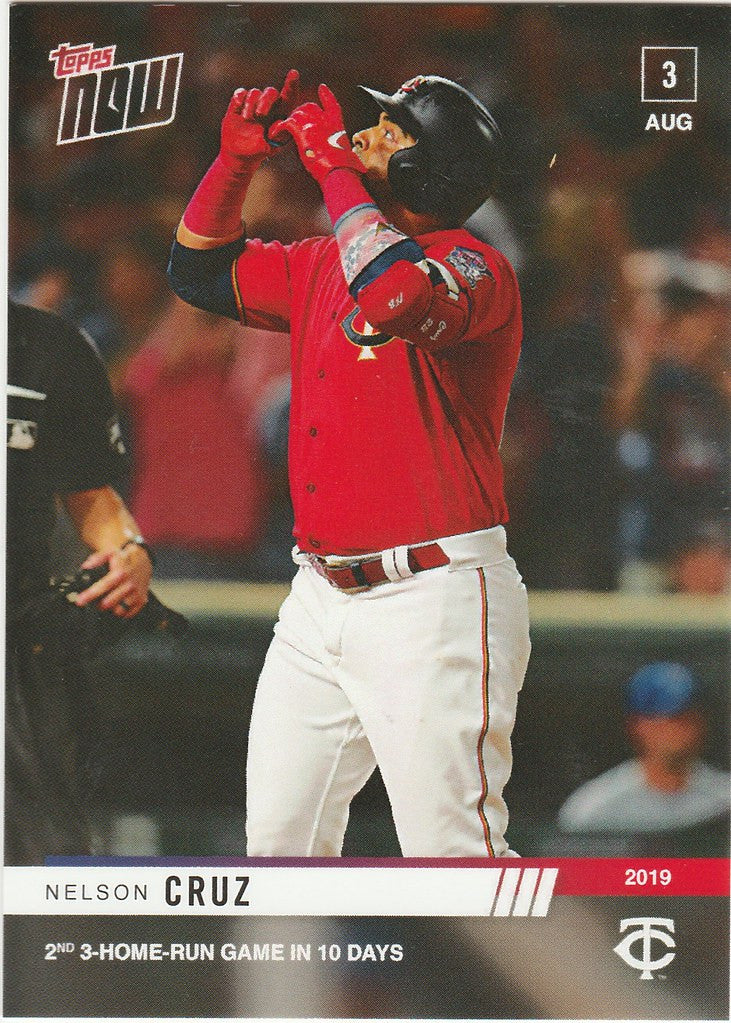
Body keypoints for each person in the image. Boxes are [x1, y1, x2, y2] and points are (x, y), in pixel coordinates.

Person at [168, 71, 531, 857]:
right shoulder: (320, 262)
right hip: (318, 598)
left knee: (450, 851)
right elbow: (196, 270)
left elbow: (396, 295)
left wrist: (333, 169)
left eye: (393, 128)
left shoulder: (476, 267)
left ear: (420, 168)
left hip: (431, 595)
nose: (368, 131)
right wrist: (234, 163)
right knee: (277, 844)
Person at [6, 299, 154, 863]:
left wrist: (129, 549)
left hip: (14, 641)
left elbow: (91, 496)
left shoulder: (50, 346)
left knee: (41, 857)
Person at [558, 662, 730, 853]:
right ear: (638, 725)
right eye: (672, 717)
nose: (683, 728)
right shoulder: (594, 809)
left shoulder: (725, 797)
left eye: (691, 716)